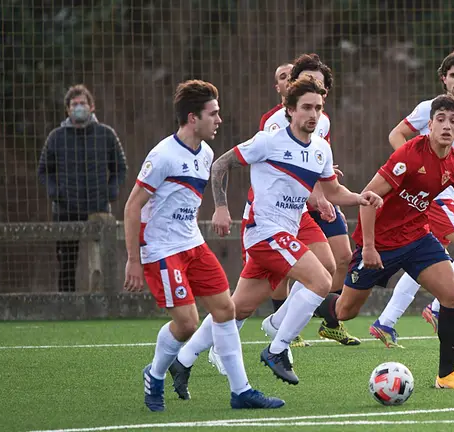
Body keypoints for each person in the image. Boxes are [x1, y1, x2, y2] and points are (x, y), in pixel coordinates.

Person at [311, 95, 454, 389]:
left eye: (453, 120)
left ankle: (446, 376)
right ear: (430, 125)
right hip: (381, 243)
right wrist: (369, 247)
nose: (447, 126)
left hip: (418, 239)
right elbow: (368, 198)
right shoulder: (409, 154)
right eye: (441, 119)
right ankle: (313, 304)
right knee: (346, 311)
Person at [122, 79, 283, 411]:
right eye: (213, 113)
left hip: (193, 244)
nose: (219, 120)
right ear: (193, 118)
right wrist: (134, 260)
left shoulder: (206, 153)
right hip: (162, 249)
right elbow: (132, 206)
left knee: (226, 310)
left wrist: (216, 208)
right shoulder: (163, 155)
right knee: (187, 323)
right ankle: (154, 374)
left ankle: (241, 391)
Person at [209, 76, 382, 386]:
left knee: (237, 307)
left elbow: (333, 190)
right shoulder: (269, 140)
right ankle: (277, 347)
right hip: (264, 229)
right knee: (320, 279)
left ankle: (179, 359)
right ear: (289, 110)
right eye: (306, 108)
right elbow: (221, 164)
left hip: (287, 229)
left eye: (318, 108)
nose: (313, 114)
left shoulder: (320, 150)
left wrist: (359, 198)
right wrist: (221, 206)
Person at [369, 47, 454, 346]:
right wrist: (412, 169)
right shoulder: (428, 108)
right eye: (453, 75)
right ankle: (435, 306)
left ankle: (386, 321)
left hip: (453, 194)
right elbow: (396, 135)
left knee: (426, 262)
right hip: (435, 195)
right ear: (444, 79)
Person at [37, 84, 127, 292]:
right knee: (66, 264)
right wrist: (55, 193)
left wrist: (112, 190)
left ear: (92, 106)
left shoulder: (106, 135)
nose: (79, 107)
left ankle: (103, 303)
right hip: (65, 209)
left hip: (99, 208)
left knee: (102, 262)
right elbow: (43, 171)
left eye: (82, 103)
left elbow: (120, 168)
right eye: (74, 104)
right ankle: (66, 304)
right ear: (67, 109)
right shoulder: (56, 137)